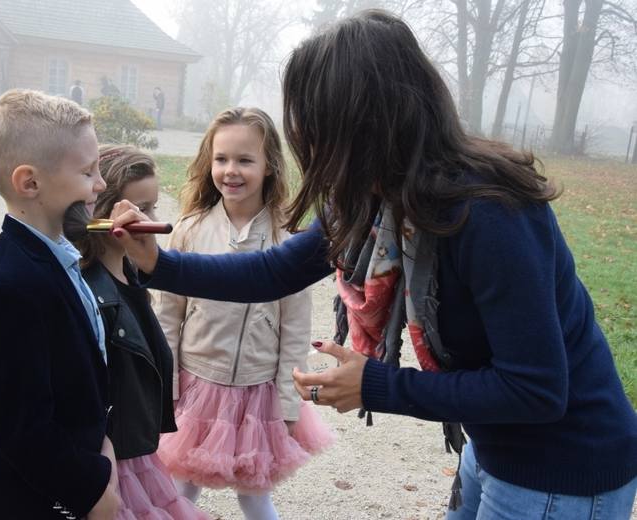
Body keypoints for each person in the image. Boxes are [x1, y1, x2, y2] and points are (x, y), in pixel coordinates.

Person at [107, 10, 637, 520]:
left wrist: (378, 385)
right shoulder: (375, 196)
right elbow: (274, 271)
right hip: (495, 449)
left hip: (561, 472)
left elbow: (536, 390)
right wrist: (161, 264)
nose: (307, 142)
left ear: (364, 125)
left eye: (316, 125)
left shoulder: (489, 214)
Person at [154, 107, 333, 520]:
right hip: (197, 386)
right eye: (221, 159)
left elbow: (294, 329)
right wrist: (167, 389)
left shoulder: (286, 237)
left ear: (269, 165)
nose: (231, 170)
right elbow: (167, 317)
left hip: (259, 394)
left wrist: (289, 404)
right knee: (180, 487)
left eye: (244, 160)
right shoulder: (190, 229)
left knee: (255, 495)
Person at [0, 89, 120, 519]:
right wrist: (94, 491)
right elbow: (24, 431)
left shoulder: (55, 253)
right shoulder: (3, 290)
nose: (100, 184)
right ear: (30, 183)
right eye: (88, 172)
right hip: (26, 499)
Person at [75, 144, 209, 519]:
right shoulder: (90, 291)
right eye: (141, 209)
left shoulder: (132, 273)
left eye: (152, 207)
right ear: (104, 214)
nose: (150, 219)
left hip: (139, 453)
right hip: (115, 459)